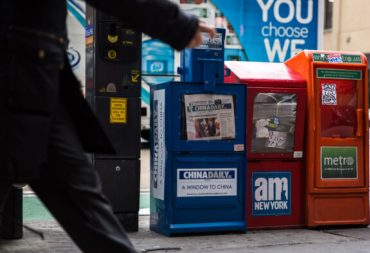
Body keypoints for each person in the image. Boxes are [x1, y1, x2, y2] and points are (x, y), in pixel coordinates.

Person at [0, 0, 215, 252]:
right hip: (25, 74)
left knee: (84, 200)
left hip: (33, 76)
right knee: (84, 201)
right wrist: (178, 25)